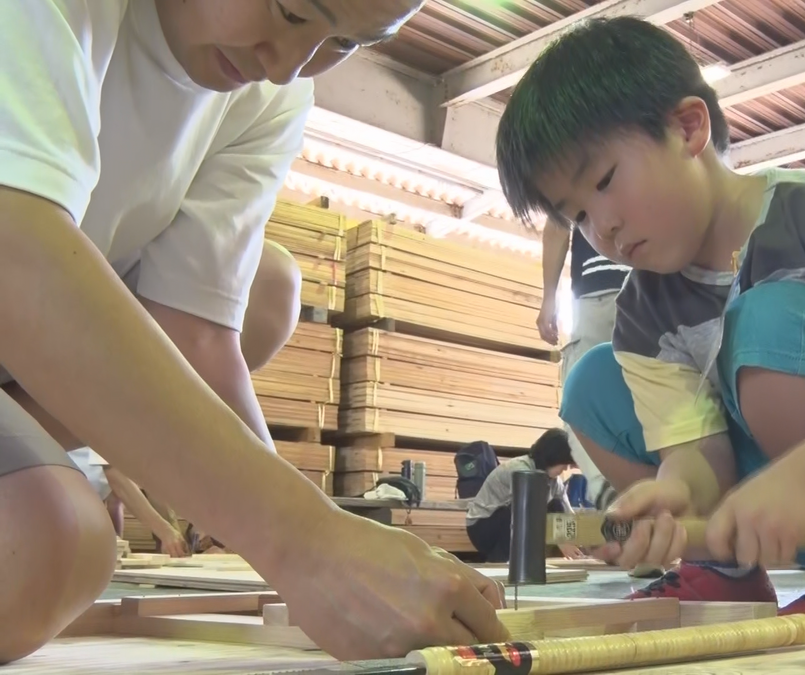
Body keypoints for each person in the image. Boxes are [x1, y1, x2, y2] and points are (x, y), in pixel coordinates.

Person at [0, 1, 507, 663]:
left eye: (347, 43)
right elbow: (16, 252)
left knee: (268, 288)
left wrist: (336, 542)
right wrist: (299, 539)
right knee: (49, 544)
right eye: (294, 9)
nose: (289, 62)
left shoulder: (272, 94)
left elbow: (199, 336)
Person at [494, 17, 805, 639]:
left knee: (770, 320)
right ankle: (724, 569)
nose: (603, 229)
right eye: (577, 215)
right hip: (777, 505)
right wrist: (674, 497)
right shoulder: (641, 313)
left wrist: (804, 476)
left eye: (604, 182)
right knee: (592, 384)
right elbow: (697, 453)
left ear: (688, 128)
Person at [538, 220, 630, 512]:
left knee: (577, 408)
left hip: (599, 296)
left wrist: (549, 301)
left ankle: (608, 491)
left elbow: (557, 226)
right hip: (649, 293)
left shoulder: (571, 178)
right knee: (643, 406)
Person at [465, 429, 582, 562]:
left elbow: (567, 513)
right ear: (554, 457)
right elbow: (527, 511)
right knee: (523, 508)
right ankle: (500, 560)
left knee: (556, 504)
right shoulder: (520, 470)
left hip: (513, 520)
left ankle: (537, 560)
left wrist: (578, 538)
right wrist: (559, 540)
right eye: (564, 463)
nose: (565, 469)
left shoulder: (555, 481)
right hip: (483, 527)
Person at [68, 448, 191, 558]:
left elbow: (116, 501)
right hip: (63, 503)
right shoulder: (111, 428)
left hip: (81, 502)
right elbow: (115, 477)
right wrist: (166, 532)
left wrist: (118, 544)